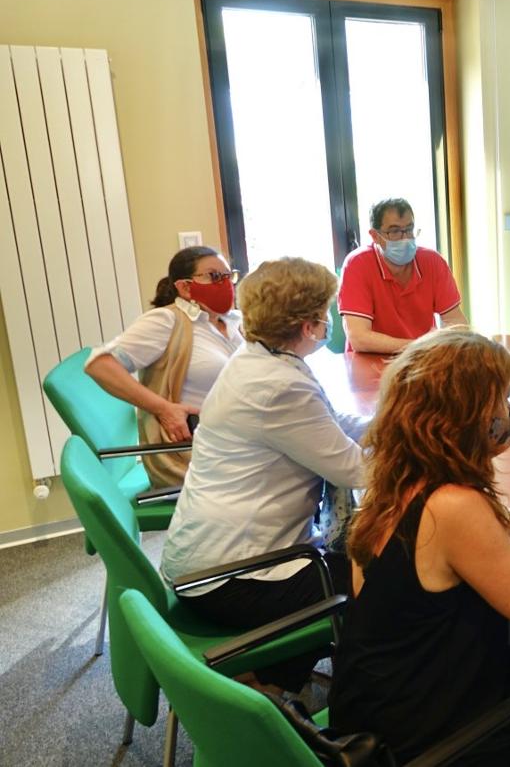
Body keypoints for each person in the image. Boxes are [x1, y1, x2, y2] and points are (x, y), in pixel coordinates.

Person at [330, 328, 510, 765]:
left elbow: (439, 534)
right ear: (466, 416)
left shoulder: (395, 479)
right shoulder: (456, 506)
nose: (507, 411)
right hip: (422, 734)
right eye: (500, 398)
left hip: (372, 705)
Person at [160, 257, 369, 691]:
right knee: (381, 580)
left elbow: (327, 422)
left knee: (351, 567)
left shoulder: (258, 358)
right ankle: (272, 687)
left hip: (208, 559)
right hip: (233, 579)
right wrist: (429, 441)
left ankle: (274, 680)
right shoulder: (277, 386)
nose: (329, 318)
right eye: (325, 310)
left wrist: (396, 421)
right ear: (308, 323)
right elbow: (355, 470)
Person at [85, 245, 243, 486]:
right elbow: (99, 365)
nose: (225, 284)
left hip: (238, 440)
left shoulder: (232, 321)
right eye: (213, 276)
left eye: (227, 276)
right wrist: (164, 409)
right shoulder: (167, 320)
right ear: (185, 287)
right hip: (199, 452)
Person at [338, 197, 467, 353]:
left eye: (409, 229)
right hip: (370, 361)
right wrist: (421, 347)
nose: (405, 238)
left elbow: (456, 322)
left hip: (421, 359)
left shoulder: (432, 261)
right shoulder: (357, 264)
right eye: (395, 231)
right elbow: (359, 338)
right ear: (375, 235)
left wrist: (452, 345)